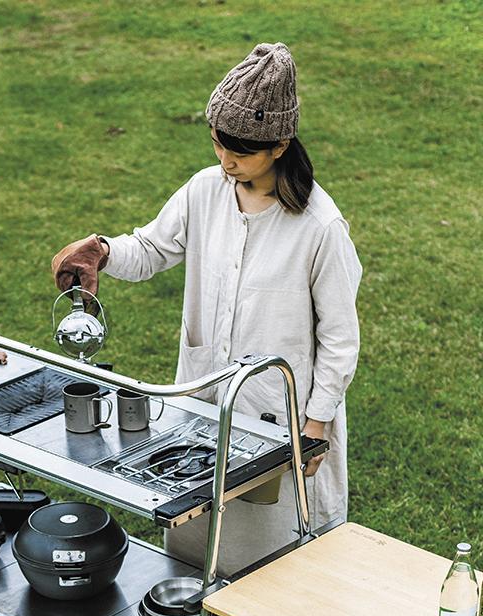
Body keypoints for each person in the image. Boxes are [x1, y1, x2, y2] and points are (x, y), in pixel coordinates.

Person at [51, 42, 362, 578]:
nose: (226, 160)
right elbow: (151, 248)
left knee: (276, 571)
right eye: (219, 144)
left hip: (280, 425)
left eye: (239, 150)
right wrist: (101, 249)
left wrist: (314, 427)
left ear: (280, 143)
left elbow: (339, 341)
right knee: (195, 556)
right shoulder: (204, 191)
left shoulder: (320, 228)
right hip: (202, 412)